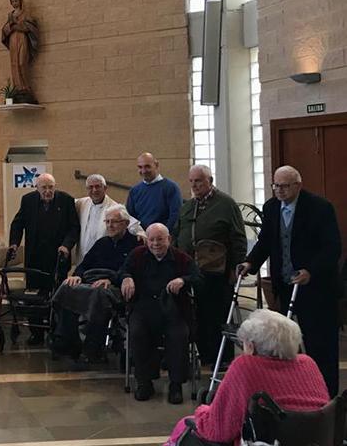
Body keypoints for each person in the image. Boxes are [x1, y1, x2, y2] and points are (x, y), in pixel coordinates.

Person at [240, 165, 342, 397]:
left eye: (285, 186)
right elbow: (266, 241)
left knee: (320, 344)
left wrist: (310, 271)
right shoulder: (271, 207)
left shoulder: (320, 208)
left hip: (316, 290)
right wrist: (250, 264)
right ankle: (292, 392)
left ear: (298, 185)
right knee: (284, 344)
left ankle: (327, 396)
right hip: (285, 286)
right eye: (276, 185)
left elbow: (332, 248)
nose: (279, 190)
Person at [165, 309, 330, 446]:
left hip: (267, 439)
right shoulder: (308, 363)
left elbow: (218, 431)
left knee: (184, 427)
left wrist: (202, 410)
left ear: (251, 346)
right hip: (313, 438)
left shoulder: (246, 365)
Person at [171, 164, 247, 364]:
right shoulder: (188, 206)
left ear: (210, 181)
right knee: (199, 314)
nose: (194, 185)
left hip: (219, 270)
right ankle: (204, 354)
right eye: (192, 181)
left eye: (199, 181)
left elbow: (238, 237)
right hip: (192, 269)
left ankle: (222, 357)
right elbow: (177, 234)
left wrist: (236, 267)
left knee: (218, 313)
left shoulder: (226, 204)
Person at [120, 223, 202, 404]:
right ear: (146, 241)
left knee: (179, 335)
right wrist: (127, 278)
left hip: (174, 309)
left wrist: (183, 280)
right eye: (151, 240)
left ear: (169, 240)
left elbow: (198, 277)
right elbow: (123, 271)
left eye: (160, 239)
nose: (155, 243)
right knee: (137, 332)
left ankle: (176, 384)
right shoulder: (137, 255)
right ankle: (144, 382)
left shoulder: (181, 258)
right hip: (144, 307)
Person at [52, 204, 137, 362]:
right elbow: (85, 264)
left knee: (99, 293)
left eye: (114, 222)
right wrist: (77, 275)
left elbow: (130, 270)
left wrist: (111, 279)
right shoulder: (102, 243)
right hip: (92, 281)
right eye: (107, 222)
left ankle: (93, 345)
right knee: (67, 286)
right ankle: (69, 340)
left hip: (116, 286)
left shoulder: (135, 244)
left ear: (125, 223)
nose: (110, 226)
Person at [7, 172, 79, 345]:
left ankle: (56, 331)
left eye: (51, 187)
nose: (48, 191)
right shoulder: (28, 200)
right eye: (44, 187)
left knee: (56, 296)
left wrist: (66, 245)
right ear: (37, 188)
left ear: (55, 186)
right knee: (34, 297)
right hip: (35, 258)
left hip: (58, 258)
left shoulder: (66, 200)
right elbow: (18, 223)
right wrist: (14, 244)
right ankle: (36, 333)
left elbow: (74, 228)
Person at [74, 173, 143, 265]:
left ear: (105, 188)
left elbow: (130, 222)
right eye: (90, 187)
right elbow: (64, 204)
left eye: (98, 186)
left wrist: (140, 233)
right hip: (83, 255)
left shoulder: (114, 207)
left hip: (102, 256)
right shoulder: (81, 203)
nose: (94, 190)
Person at [0, 0, 40, 103]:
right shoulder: (10, 15)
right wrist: (10, 27)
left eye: (16, 1)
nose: (14, 3)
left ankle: (25, 87)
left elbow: (31, 26)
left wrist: (20, 26)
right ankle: (18, 88)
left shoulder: (25, 14)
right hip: (13, 39)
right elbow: (4, 30)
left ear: (20, 1)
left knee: (22, 62)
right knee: (14, 63)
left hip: (22, 38)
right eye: (12, 1)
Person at [125, 152, 182, 230]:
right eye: (140, 167)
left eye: (147, 166)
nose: (143, 171)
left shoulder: (171, 188)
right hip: (141, 239)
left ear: (156, 165)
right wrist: (139, 233)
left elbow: (175, 216)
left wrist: (163, 234)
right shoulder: (134, 191)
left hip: (163, 238)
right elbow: (130, 217)